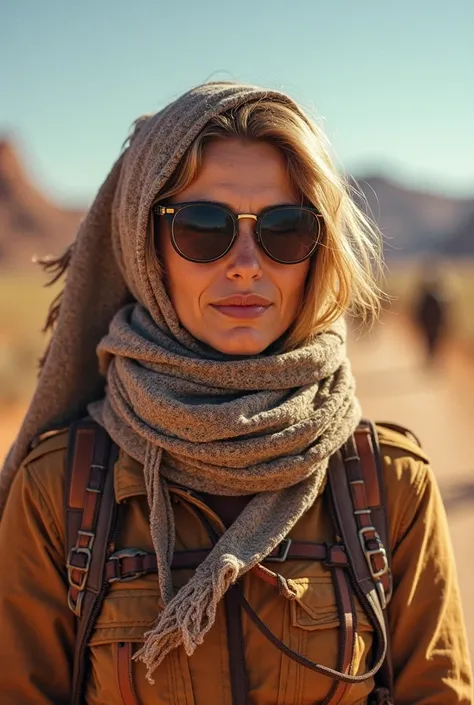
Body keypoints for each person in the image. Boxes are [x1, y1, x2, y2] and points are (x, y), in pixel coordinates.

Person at [0, 82, 471, 704]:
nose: (246, 263)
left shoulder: (389, 482)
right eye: (202, 227)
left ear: (318, 252)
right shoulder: (60, 489)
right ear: (148, 250)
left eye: (285, 229)